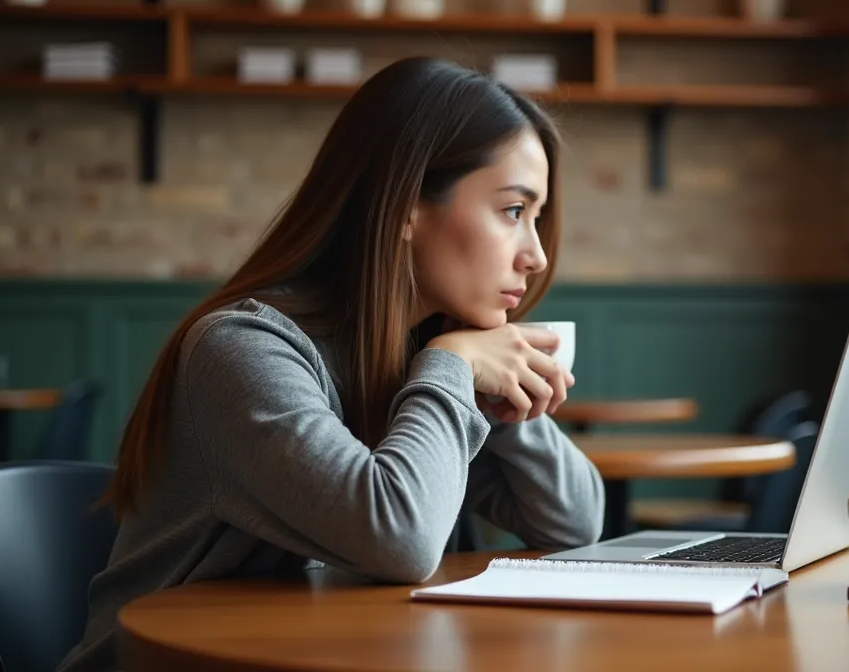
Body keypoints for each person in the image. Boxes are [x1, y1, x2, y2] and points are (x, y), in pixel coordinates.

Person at [58, 57, 605, 671]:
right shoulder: (240, 348)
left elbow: (574, 524)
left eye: (538, 218)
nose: (533, 254)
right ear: (403, 206)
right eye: (512, 211)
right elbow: (397, 538)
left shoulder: (421, 355)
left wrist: (500, 392)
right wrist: (451, 366)